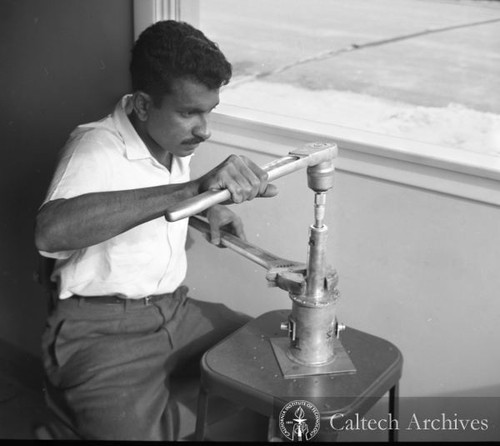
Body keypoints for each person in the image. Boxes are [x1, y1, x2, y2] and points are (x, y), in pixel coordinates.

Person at [34, 19, 277, 441]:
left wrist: (204, 211)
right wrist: (193, 188)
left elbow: (148, 204)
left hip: (174, 310)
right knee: (135, 432)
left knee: (269, 352)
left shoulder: (169, 138)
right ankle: (90, 418)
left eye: (209, 112)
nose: (205, 130)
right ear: (144, 106)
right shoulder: (93, 146)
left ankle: (149, 410)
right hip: (101, 329)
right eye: (189, 113)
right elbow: (50, 233)